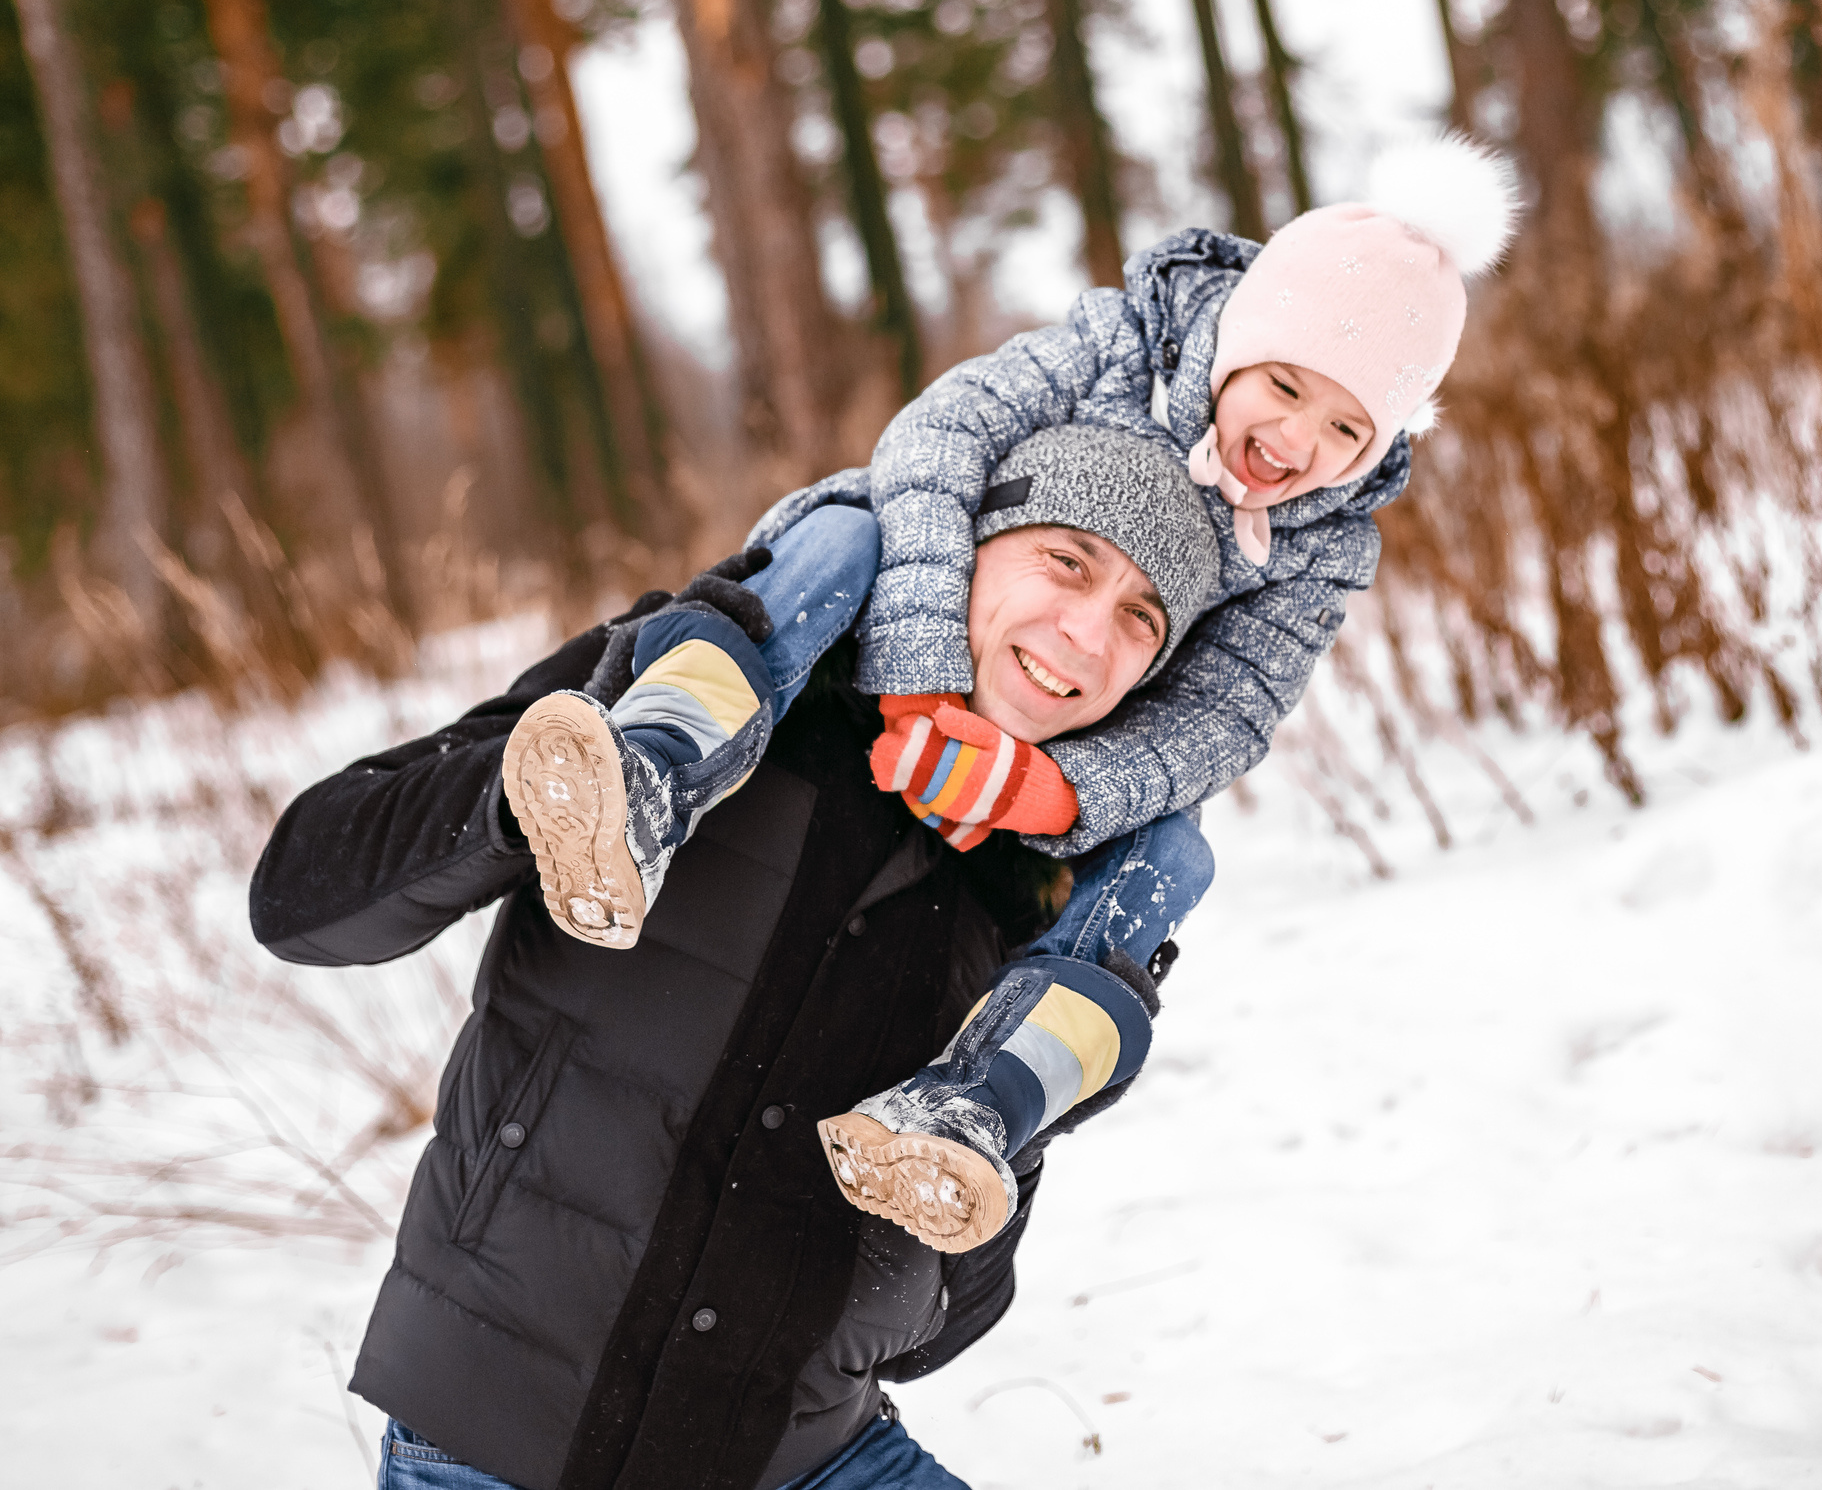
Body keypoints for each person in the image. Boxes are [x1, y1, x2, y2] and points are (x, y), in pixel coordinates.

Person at [503, 135, 1520, 1255]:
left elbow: (1229, 711)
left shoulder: (1324, 544)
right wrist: (920, 668)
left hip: (1075, 726)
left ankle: (982, 1098)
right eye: (1285, 387)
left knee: (1176, 854)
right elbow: (939, 436)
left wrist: (1054, 790)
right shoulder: (1121, 343)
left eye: (1346, 429)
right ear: (1240, 338)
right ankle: (657, 768)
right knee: (840, 536)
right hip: (906, 593)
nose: (1294, 441)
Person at [251, 432, 1221, 1490]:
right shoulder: (712, 681)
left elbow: (942, 1330)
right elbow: (303, 894)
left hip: (807, 1455)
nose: (1088, 632)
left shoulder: (1046, 886)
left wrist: (1007, 1132)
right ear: (967, 549)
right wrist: (553, 792)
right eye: (1066, 561)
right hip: (502, 1439)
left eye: (1142, 618)